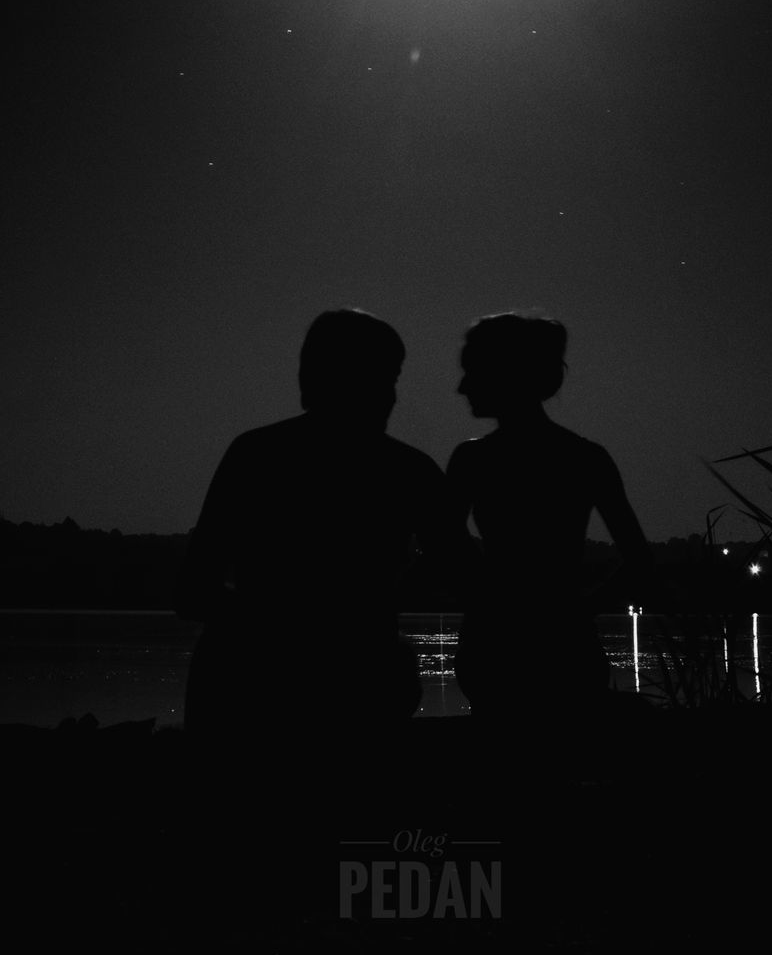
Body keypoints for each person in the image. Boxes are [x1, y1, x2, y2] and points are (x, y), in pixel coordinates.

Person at [178, 307, 469, 755]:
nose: (391, 395)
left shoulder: (254, 454)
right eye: (386, 378)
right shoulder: (410, 471)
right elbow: (463, 570)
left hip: (245, 685)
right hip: (354, 684)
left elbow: (194, 589)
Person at [446, 312, 652, 730]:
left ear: (504, 374)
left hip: (495, 649)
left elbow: (444, 546)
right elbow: (641, 563)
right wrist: (575, 612)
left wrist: (491, 600)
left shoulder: (472, 461)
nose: (462, 386)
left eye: (473, 372)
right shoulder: (586, 457)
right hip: (569, 650)